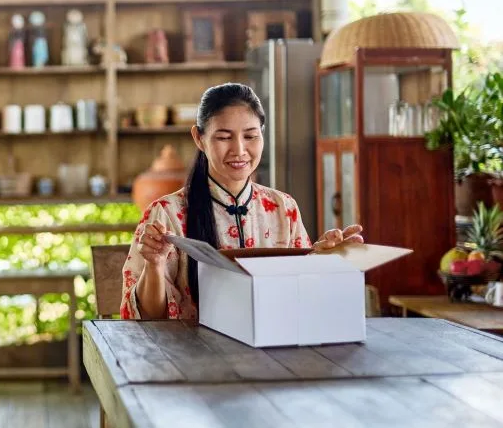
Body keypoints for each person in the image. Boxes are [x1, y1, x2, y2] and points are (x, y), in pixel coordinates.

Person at [120, 83, 365, 320]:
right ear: (199, 138)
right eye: (224, 137)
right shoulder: (166, 213)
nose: (239, 150)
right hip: (193, 355)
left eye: (250, 136)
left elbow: (300, 298)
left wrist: (322, 259)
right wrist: (154, 264)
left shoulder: (284, 207)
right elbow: (150, 319)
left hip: (271, 353)